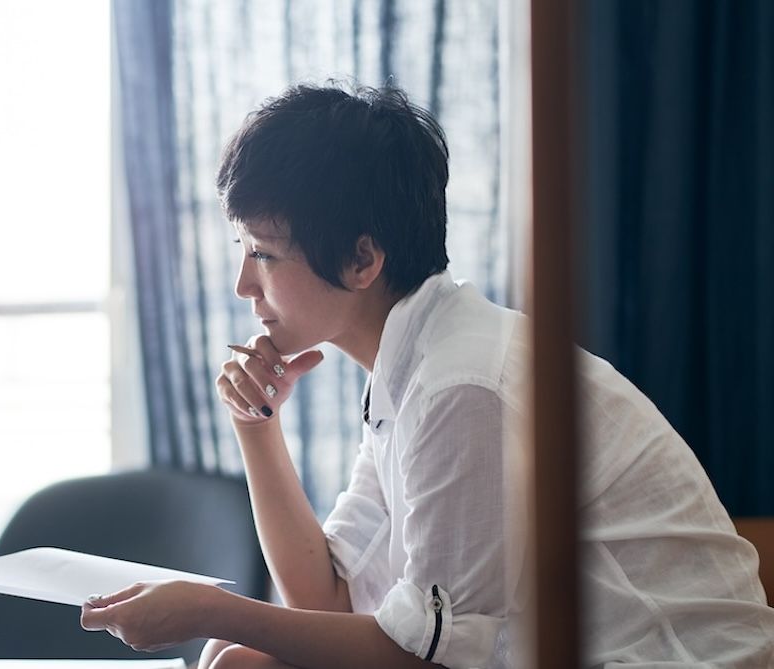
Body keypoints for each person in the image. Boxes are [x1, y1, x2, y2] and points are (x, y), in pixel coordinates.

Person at [79, 82, 774, 668]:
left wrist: (211, 608)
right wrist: (255, 426)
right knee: (237, 658)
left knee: (238, 653)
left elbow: (423, 658)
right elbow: (325, 595)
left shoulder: (460, 385)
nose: (242, 285)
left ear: (362, 259)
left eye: (263, 253)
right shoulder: (413, 366)